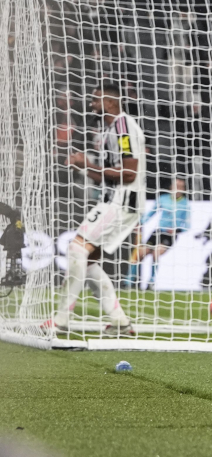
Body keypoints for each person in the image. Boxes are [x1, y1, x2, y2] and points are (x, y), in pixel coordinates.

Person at [47, 81, 146, 336]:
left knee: (76, 249)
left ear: (111, 102)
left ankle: (61, 319)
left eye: (96, 100)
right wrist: (84, 165)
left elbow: (129, 171)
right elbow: (108, 175)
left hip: (122, 200)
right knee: (88, 260)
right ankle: (120, 323)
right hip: (116, 199)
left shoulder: (122, 127)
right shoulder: (111, 128)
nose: (92, 104)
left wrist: (91, 165)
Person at [129, 177, 191, 290]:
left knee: (156, 253)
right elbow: (151, 213)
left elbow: (187, 225)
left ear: (184, 189)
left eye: (181, 187)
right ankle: (129, 281)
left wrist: (177, 229)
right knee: (141, 252)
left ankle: (151, 281)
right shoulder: (163, 199)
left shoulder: (185, 204)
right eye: (176, 186)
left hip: (170, 235)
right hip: (158, 232)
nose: (178, 189)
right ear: (171, 187)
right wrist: (140, 223)